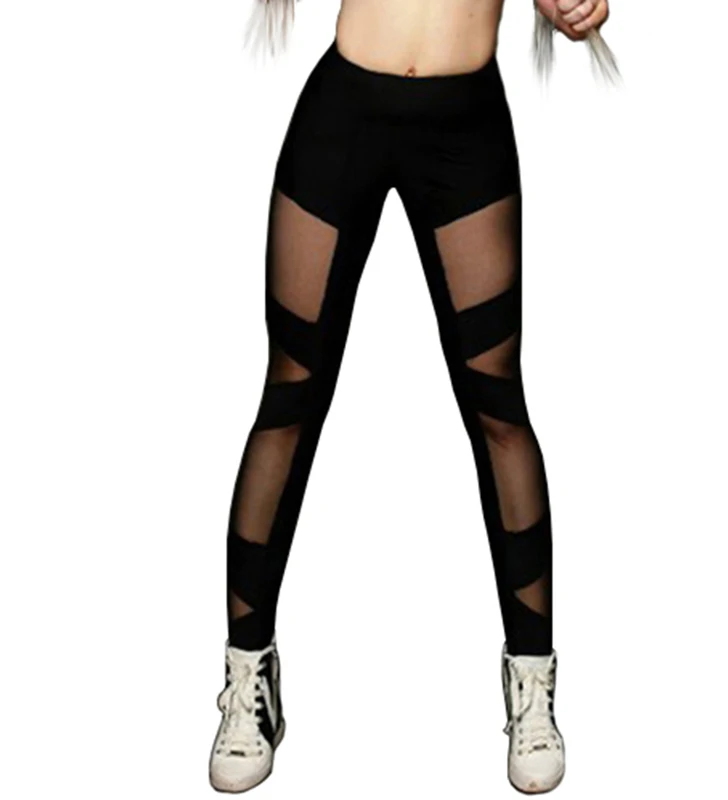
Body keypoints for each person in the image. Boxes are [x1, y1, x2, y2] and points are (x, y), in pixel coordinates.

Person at [209, 0, 610, 794]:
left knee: (497, 402)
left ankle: (533, 682)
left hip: (465, 129)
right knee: (291, 391)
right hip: (344, 115)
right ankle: (246, 677)